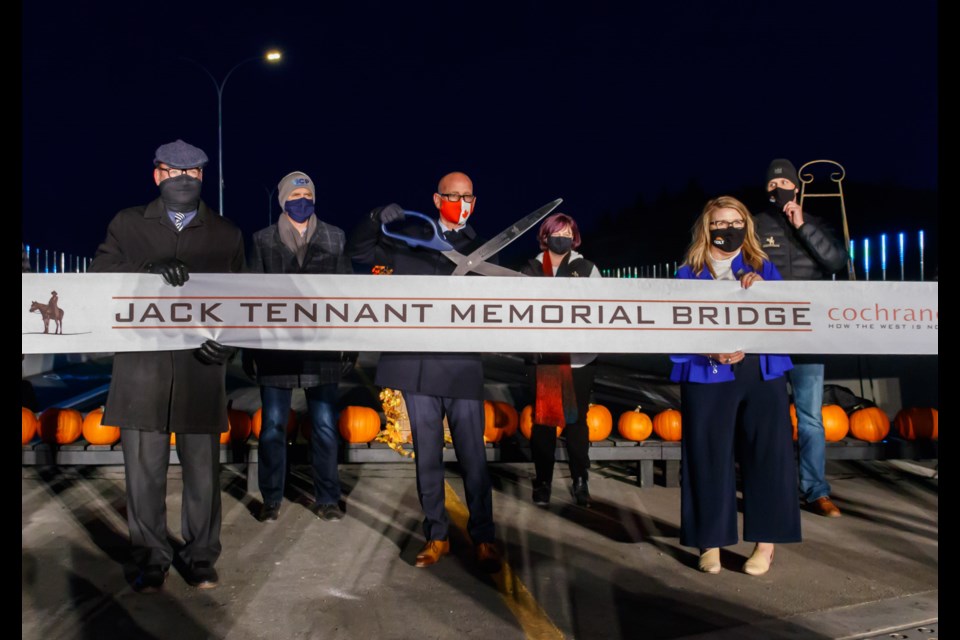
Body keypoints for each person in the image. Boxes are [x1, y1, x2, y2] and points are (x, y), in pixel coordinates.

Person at [90, 139, 245, 592]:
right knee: (143, 468)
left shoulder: (226, 232)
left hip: (200, 367)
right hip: (142, 367)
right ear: (156, 175)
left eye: (194, 172)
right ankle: (151, 555)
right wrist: (146, 266)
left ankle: (200, 555)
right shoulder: (127, 223)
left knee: (202, 470)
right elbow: (100, 274)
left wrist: (230, 344)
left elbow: (244, 301)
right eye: (174, 172)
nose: (184, 178)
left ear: (202, 177)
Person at [345, 171, 501, 572]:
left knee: (473, 458)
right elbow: (359, 252)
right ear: (436, 199)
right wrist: (376, 216)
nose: (460, 203)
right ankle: (437, 536)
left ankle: (484, 536)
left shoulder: (484, 251)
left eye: (467, 196)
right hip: (416, 368)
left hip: (462, 367)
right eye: (452, 195)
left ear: (475, 201)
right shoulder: (408, 239)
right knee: (426, 458)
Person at [671, 195, 801, 576]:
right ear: (705, 229)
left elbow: (784, 318)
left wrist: (764, 292)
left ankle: (766, 543)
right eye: (718, 224)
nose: (726, 230)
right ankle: (709, 542)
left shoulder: (763, 266)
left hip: (760, 371)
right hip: (707, 371)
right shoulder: (686, 274)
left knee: (768, 454)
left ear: (746, 226)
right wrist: (708, 351)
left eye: (734, 222)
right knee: (707, 455)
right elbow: (672, 331)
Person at [245, 171, 353, 523]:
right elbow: (250, 297)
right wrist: (248, 346)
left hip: (322, 349)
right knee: (273, 426)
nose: (301, 199)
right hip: (275, 351)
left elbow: (348, 293)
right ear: (282, 200)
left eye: (307, 193)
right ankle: (271, 497)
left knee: (324, 425)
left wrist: (352, 343)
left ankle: (328, 497)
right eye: (295, 194)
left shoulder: (335, 237)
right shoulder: (261, 240)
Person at [755, 158, 848, 518]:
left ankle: (815, 491)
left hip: (808, 336)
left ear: (797, 187)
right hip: (769, 336)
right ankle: (774, 487)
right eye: (770, 187)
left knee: (810, 417)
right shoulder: (757, 225)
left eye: (784, 185)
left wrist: (803, 225)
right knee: (772, 416)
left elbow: (837, 261)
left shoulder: (816, 224)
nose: (778, 191)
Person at [519, 213, 600, 507]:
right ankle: (543, 481)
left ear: (574, 236)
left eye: (567, 232)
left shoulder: (587, 268)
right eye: (557, 232)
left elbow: (601, 307)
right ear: (545, 235)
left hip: (578, 357)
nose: (562, 236)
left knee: (576, 420)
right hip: (545, 356)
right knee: (544, 422)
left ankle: (581, 480)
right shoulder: (530, 268)